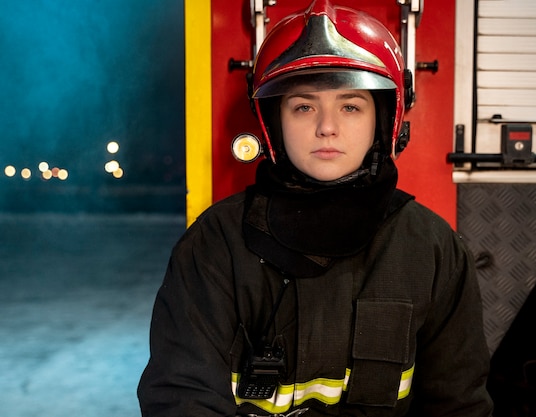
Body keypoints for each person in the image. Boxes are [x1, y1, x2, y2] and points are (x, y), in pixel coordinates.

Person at [137, 0, 493, 416]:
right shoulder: (215, 245)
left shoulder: (433, 251)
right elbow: (181, 397)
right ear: (274, 122)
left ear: (383, 120)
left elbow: (459, 407)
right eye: (304, 106)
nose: (327, 126)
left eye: (350, 106)